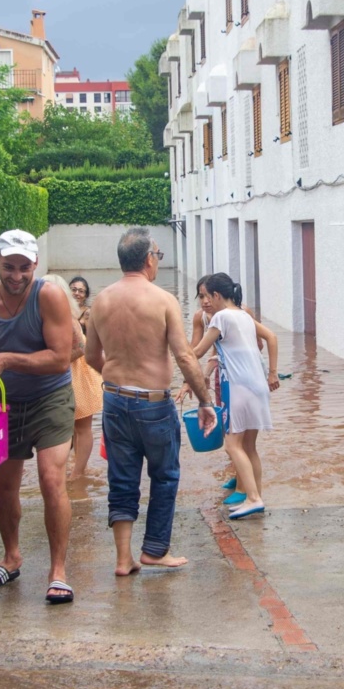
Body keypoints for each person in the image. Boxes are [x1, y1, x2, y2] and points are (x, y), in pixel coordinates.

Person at [85, 229, 215, 575]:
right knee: (165, 475)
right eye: (157, 255)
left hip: (113, 401)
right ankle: (155, 550)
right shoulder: (163, 300)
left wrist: (115, 381)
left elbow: (90, 356)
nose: (158, 260)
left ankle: (123, 558)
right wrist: (205, 401)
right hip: (154, 405)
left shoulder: (101, 300)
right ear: (148, 260)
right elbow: (186, 358)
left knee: (122, 478)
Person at [0, 230, 78, 604]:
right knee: (4, 485)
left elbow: (61, 358)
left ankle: (58, 570)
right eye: (9, 267)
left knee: (51, 478)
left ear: (36, 265)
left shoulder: (49, 296)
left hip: (51, 397)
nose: (16, 276)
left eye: (24, 268)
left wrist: (8, 358)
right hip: (6, 403)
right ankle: (11, 556)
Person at [191, 273, 280, 520]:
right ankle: (256, 496)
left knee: (232, 445)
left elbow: (197, 351)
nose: (204, 301)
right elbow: (272, 337)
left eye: (205, 296)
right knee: (249, 446)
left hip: (239, 388)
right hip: (258, 387)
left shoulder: (221, 316)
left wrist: (173, 347)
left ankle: (252, 498)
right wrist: (273, 372)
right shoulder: (243, 315)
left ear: (216, 295)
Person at [64, 275, 104, 480]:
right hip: (67, 369)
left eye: (81, 290)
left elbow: (92, 344)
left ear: (86, 295)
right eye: (74, 289)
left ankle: (79, 471)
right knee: (70, 425)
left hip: (81, 368)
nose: (77, 293)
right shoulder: (62, 312)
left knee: (82, 422)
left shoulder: (87, 314)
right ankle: (77, 465)